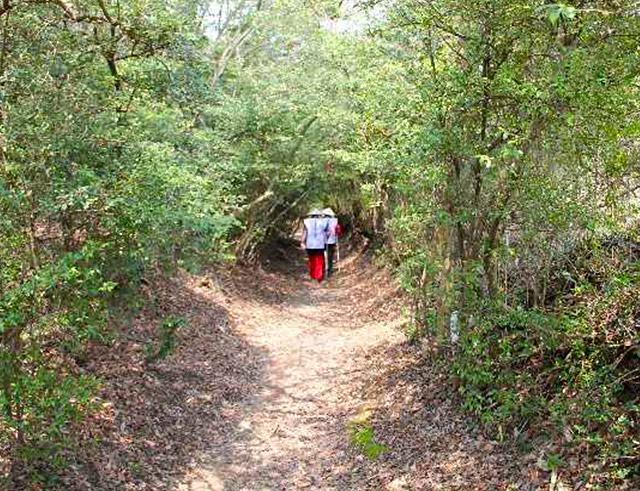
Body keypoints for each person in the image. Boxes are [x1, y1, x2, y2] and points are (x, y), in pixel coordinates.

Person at [301, 209, 328, 283]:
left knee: (312, 260)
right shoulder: (323, 222)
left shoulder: (306, 222)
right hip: (320, 244)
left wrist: (302, 242)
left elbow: (305, 232)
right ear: (319, 215)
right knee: (319, 261)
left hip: (310, 244)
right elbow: (326, 233)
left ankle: (313, 277)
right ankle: (319, 277)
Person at [323, 208, 342, 277]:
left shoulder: (323, 220)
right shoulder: (335, 220)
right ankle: (329, 270)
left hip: (325, 240)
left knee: (325, 255)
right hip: (333, 240)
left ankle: (326, 269)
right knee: (330, 256)